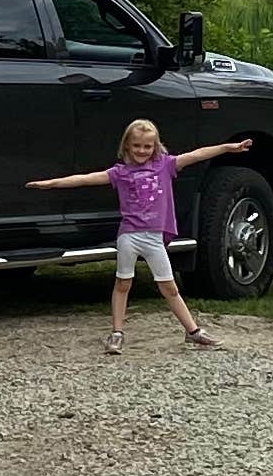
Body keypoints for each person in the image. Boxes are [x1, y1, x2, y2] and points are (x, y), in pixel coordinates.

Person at [24, 112, 254, 353]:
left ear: (155, 146)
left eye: (147, 146)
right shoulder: (120, 172)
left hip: (154, 237)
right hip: (129, 236)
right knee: (123, 283)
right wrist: (50, 184)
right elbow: (86, 179)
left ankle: (193, 331)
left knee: (169, 287)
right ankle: (116, 333)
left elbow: (197, 155)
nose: (142, 150)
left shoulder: (165, 165)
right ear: (126, 145)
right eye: (137, 146)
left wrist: (228, 147)